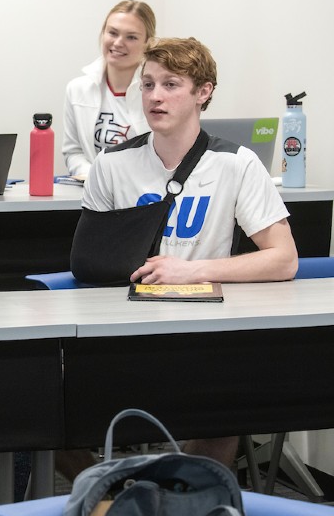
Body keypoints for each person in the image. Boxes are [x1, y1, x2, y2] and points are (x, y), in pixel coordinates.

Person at [80, 37, 298, 466]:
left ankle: (187, 502)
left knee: (222, 414)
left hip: (204, 328)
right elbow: (89, 262)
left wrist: (192, 270)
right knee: (41, 405)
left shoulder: (237, 163)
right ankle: (118, 496)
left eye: (171, 84)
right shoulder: (110, 165)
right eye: (147, 85)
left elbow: (283, 259)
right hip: (120, 325)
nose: (155, 96)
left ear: (204, 92)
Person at [62, 0, 156, 177]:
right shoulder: (78, 89)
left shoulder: (158, 94)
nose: (118, 43)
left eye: (131, 37)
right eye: (112, 33)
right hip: (93, 194)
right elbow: (73, 152)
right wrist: (97, 178)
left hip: (144, 196)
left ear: (147, 43)